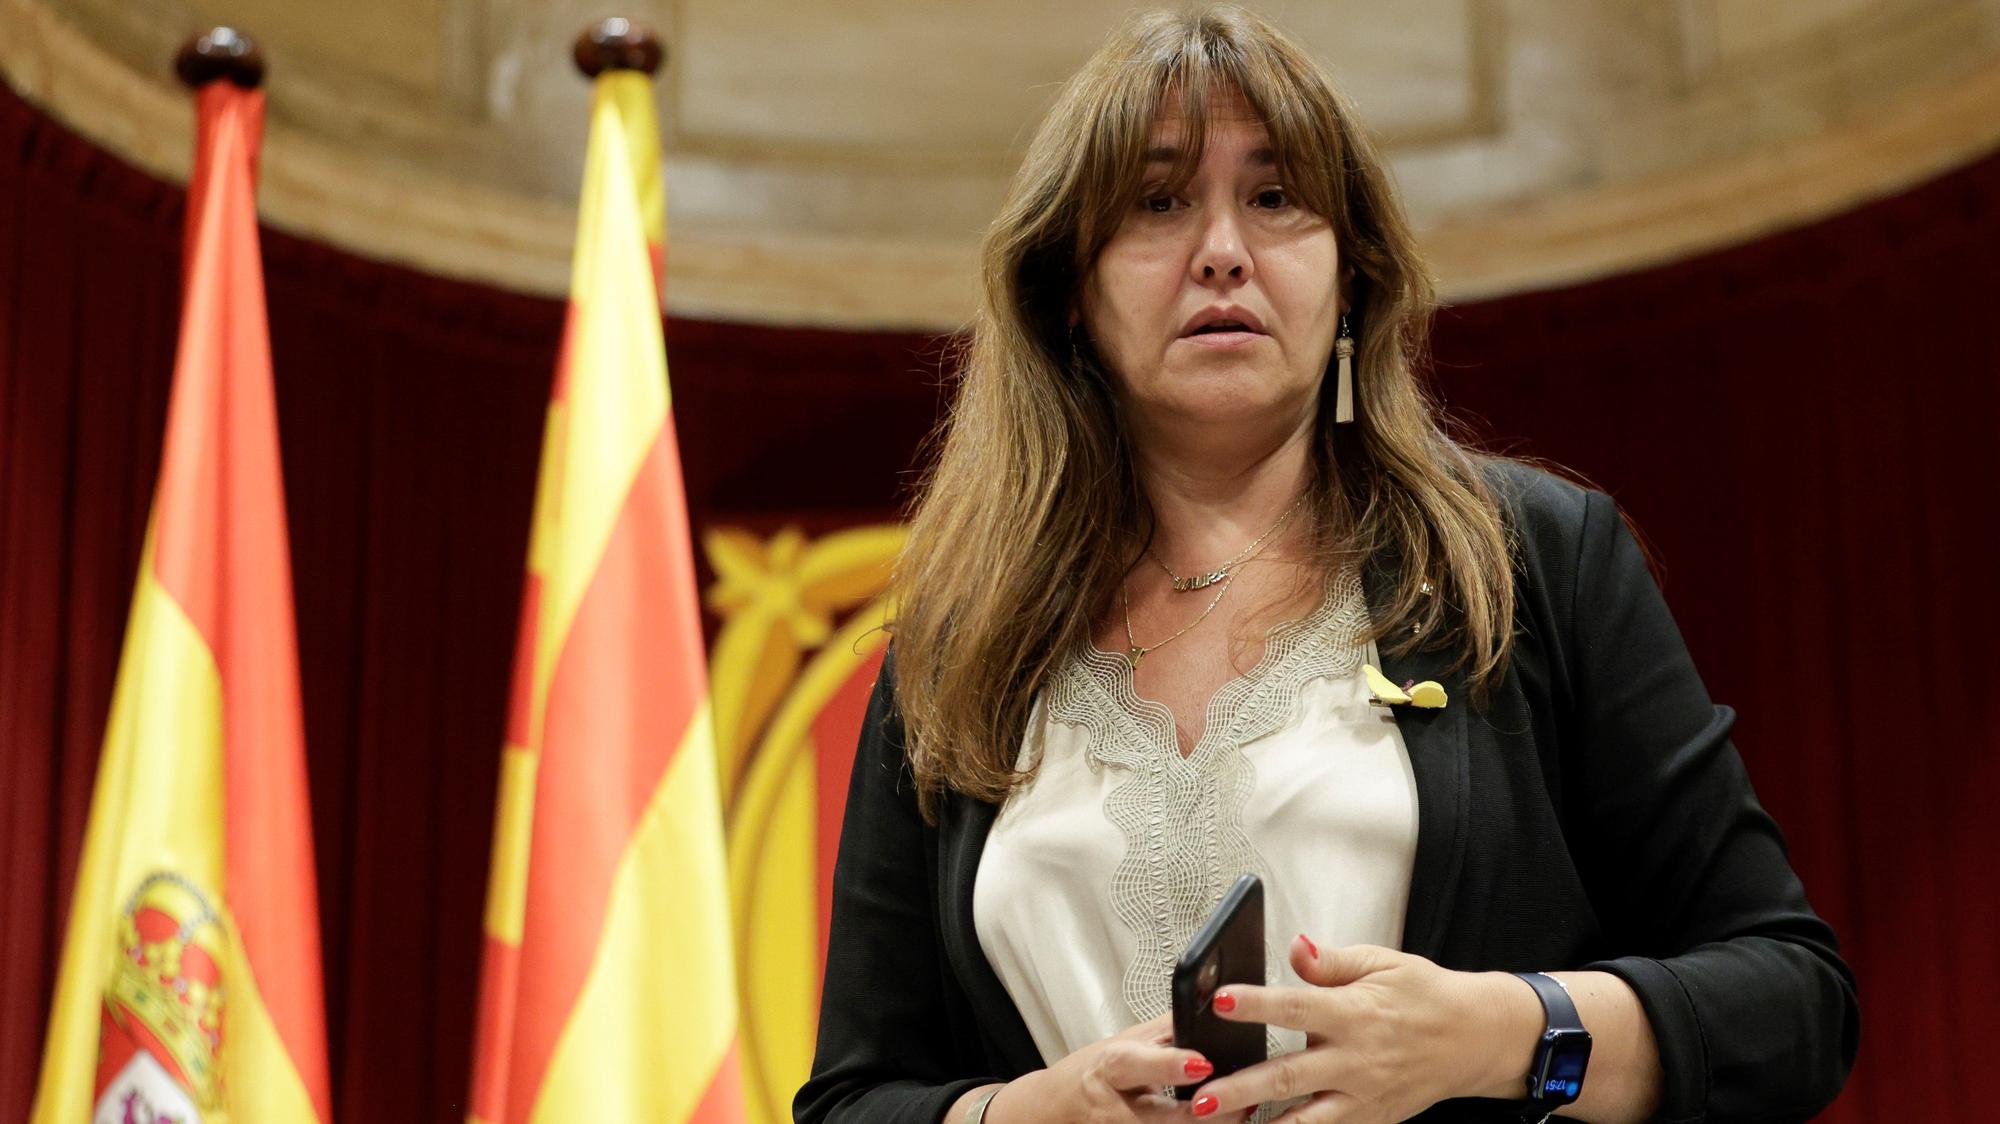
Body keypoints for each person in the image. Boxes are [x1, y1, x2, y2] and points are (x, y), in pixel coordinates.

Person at [794, 8, 1858, 1123]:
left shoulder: (1531, 561)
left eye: (1273, 197)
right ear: (1070, 290)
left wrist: (1500, 1032)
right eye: (1157, 201)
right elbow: (849, 1098)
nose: (1220, 249)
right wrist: (1024, 1114)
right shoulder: (959, 650)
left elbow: (1792, 1004)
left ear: (1349, 275)